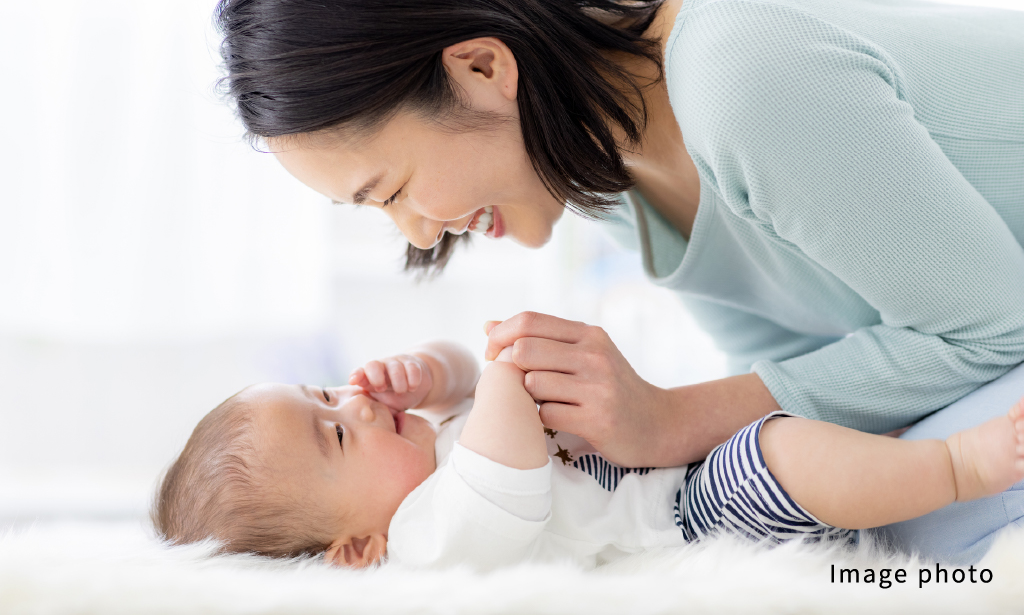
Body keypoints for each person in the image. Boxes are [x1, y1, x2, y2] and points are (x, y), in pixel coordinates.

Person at [213, 0, 1024, 560]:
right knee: (846, 507)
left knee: (921, 531)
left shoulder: (741, 80)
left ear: (482, 69)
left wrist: (671, 420)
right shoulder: (606, 177)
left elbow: (995, 325)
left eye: (391, 191)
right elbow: (814, 365)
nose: (418, 231)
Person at [153, 339, 1024, 567]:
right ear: (353, 550)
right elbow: (507, 471)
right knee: (780, 454)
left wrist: (435, 371)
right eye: (335, 430)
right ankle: (958, 470)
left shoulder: (424, 462)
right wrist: (499, 367)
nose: (354, 398)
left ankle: (887, 451)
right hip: (686, 513)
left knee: (768, 414)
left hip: (666, 453)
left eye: (323, 392)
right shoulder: (425, 542)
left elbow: (464, 394)